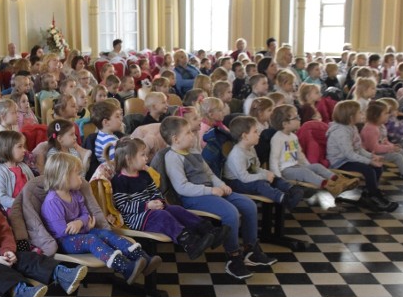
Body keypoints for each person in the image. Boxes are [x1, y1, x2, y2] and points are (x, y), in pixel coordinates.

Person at [154, 116, 271, 280]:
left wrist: (221, 185)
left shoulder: (194, 151)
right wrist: (210, 191)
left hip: (212, 190)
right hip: (192, 197)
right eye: (188, 133)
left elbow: (209, 173)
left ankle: (251, 249)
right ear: (175, 139)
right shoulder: (172, 157)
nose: (193, 135)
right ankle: (234, 257)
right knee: (230, 213)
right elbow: (182, 187)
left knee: (248, 205)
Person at [41, 152, 160, 285]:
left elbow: (86, 215)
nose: (81, 177)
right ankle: (125, 268)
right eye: (77, 174)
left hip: (82, 232)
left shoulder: (75, 194)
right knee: (92, 239)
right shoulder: (52, 202)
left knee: (105, 233)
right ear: (64, 177)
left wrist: (80, 222)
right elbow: (64, 231)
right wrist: (84, 224)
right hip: (65, 241)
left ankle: (142, 257)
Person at [110, 137, 226, 259]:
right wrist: (147, 205)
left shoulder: (144, 174)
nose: (147, 158)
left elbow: (154, 191)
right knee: (162, 216)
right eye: (142, 155)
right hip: (137, 217)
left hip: (153, 209)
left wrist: (159, 201)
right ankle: (189, 243)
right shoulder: (119, 181)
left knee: (177, 209)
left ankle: (208, 230)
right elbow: (123, 206)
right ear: (129, 159)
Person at [326, 100, 398, 212]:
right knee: (368, 170)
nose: (363, 114)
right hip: (340, 162)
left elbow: (358, 149)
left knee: (378, 167)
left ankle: (368, 195)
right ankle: (374, 197)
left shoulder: (353, 127)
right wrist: (369, 161)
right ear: (351, 117)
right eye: (360, 112)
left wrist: (371, 156)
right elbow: (349, 154)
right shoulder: (340, 132)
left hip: (349, 159)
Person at [268, 105, 356, 196]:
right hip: (285, 171)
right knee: (305, 172)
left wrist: (309, 167)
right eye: (296, 117)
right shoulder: (277, 138)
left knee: (317, 166)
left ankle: (340, 180)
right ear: (285, 124)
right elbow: (274, 160)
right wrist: (279, 179)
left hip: (297, 166)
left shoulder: (293, 137)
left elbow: (300, 154)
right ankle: (331, 186)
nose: (299, 119)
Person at [223, 116, 305, 209]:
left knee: (272, 176)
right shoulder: (237, 154)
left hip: (248, 176)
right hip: (235, 182)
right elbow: (244, 177)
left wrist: (266, 173)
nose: (259, 134)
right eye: (255, 132)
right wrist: (264, 176)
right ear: (245, 136)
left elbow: (255, 168)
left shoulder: (251, 148)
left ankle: (292, 189)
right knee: (260, 184)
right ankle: (284, 199)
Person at [0, 130, 34, 211]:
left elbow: (33, 185)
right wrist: (21, 203)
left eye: (23, 146)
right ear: (6, 149)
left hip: (29, 206)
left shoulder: (24, 167)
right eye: (20, 146)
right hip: (13, 209)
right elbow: (0, 197)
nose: (24, 150)